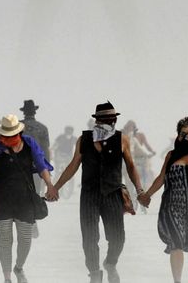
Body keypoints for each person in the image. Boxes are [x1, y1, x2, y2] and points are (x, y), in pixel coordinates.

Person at [53, 101, 145, 283]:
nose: (110, 122)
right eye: (106, 119)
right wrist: (56, 187)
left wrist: (140, 190)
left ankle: (110, 263)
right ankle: (94, 273)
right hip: (89, 195)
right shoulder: (84, 139)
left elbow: (131, 166)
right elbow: (73, 166)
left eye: (111, 119)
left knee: (118, 238)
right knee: (89, 238)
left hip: (113, 193)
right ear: (97, 120)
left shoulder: (122, 139)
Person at [0, 114, 56, 283]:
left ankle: (19, 267)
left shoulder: (29, 144)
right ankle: (7, 277)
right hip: (1, 199)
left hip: (24, 199)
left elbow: (41, 166)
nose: (9, 138)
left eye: (12, 135)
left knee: (25, 239)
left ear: (19, 133)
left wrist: (50, 185)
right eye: (6, 135)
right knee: (5, 240)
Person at [139, 117, 188, 283]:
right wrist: (147, 195)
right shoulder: (171, 155)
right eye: (183, 133)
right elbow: (161, 178)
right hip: (173, 205)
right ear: (178, 135)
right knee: (175, 242)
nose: (186, 136)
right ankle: (177, 281)